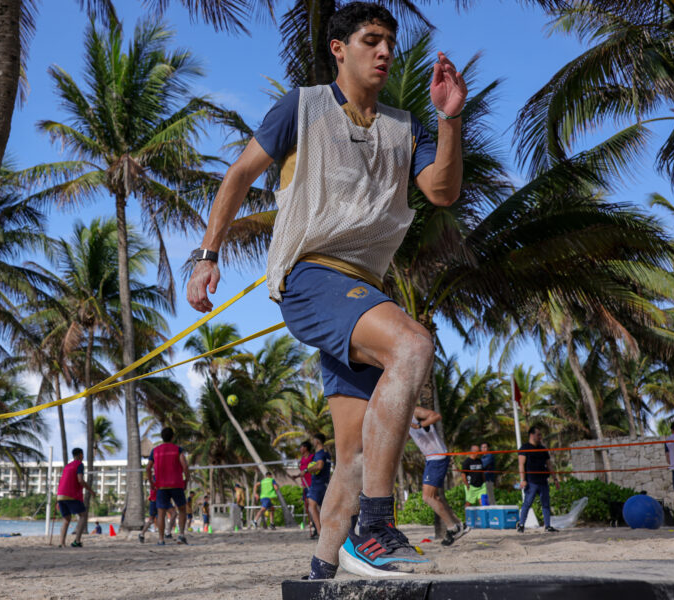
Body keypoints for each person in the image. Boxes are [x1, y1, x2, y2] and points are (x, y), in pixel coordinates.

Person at [185, 0, 465, 579]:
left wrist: (449, 119)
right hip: (312, 275)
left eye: (390, 41)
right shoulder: (303, 106)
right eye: (371, 39)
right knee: (412, 346)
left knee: (355, 455)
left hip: (365, 292)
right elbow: (238, 176)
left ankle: (320, 575)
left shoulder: (406, 126)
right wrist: (207, 257)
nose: (385, 50)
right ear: (339, 48)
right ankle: (377, 527)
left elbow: (441, 191)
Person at [409, 407, 466, 546]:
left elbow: (436, 416)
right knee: (435, 497)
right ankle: (459, 524)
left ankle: (453, 528)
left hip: (437, 457)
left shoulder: (414, 411)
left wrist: (419, 425)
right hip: (431, 458)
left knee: (427, 497)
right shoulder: (402, 417)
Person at [146, 427, 191, 545]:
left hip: (161, 486)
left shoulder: (155, 451)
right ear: (172, 437)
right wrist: (186, 480)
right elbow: (185, 466)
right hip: (176, 484)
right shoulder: (178, 449)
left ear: (162, 437)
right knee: (182, 510)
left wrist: (151, 483)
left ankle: (161, 540)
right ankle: (181, 535)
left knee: (161, 513)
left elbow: (148, 468)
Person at [516, 425, 558, 533]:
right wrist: (522, 480)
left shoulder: (543, 449)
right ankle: (521, 525)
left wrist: (555, 479)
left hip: (543, 480)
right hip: (531, 481)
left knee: (546, 504)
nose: (540, 436)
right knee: (527, 503)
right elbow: (521, 464)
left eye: (540, 434)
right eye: (538, 434)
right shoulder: (524, 448)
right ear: (532, 435)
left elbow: (549, 465)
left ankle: (547, 526)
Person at [57, 448, 95, 547]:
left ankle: (62, 543)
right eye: (83, 455)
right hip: (71, 495)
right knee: (83, 515)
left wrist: (57, 500)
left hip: (60, 495)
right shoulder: (79, 464)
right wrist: (91, 490)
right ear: (80, 455)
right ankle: (77, 541)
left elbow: (61, 481)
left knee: (66, 519)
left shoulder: (67, 466)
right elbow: (80, 480)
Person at [307, 433, 332, 538]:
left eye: (313, 440)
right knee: (322, 509)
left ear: (317, 441)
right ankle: (325, 530)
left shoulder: (319, 454)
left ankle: (320, 531)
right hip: (325, 483)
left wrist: (309, 469)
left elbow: (320, 465)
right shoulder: (327, 454)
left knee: (311, 506)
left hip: (318, 483)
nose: (313, 442)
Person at [294, 441, 316, 538]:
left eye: (301, 447)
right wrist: (296, 476)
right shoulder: (302, 459)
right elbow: (303, 472)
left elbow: (312, 469)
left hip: (312, 485)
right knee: (308, 507)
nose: (300, 449)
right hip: (305, 486)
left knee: (314, 506)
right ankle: (314, 526)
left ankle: (318, 527)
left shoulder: (312, 457)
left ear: (305, 448)